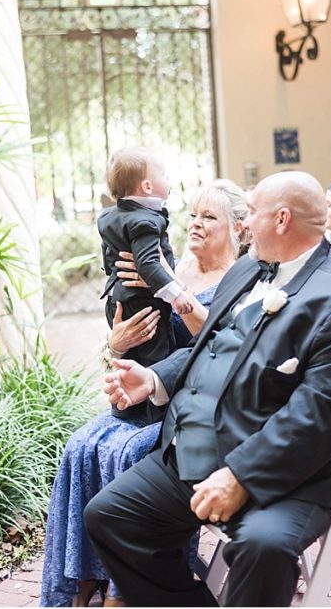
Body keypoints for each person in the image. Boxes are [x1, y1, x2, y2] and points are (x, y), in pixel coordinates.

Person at [83, 171, 331, 607]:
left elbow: (320, 415)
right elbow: (209, 348)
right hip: (194, 452)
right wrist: (152, 379)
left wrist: (241, 474)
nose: (242, 224)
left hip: (282, 476)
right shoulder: (248, 268)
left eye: (250, 213)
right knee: (110, 516)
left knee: (263, 547)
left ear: (281, 220)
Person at [41, 179, 248, 607]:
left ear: (239, 228)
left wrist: (178, 297)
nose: (195, 224)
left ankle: (124, 591)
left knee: (128, 453)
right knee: (80, 446)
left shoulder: (240, 282)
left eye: (209, 217)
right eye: (192, 214)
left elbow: (221, 344)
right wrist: (116, 344)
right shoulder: (168, 264)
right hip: (141, 395)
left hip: (188, 411)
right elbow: (134, 330)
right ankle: (79, 585)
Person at [97, 147, 192, 419]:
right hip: (145, 304)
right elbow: (150, 263)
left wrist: (115, 276)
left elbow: (108, 258)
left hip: (118, 298)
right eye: (163, 174)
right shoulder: (145, 221)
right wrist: (176, 294)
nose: (167, 178)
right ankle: (155, 418)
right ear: (148, 186)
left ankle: (125, 409)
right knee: (156, 356)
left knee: (131, 360)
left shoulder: (108, 216)